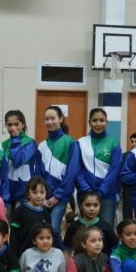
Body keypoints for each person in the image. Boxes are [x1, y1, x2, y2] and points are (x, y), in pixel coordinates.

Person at [38, 105, 80, 246]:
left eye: (53, 118)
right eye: (46, 119)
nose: (50, 122)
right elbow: (38, 173)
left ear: (61, 119)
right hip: (43, 197)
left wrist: (58, 195)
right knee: (42, 231)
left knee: (55, 229)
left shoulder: (70, 142)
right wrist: (42, 196)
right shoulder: (42, 145)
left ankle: (62, 259)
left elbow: (72, 172)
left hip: (61, 195)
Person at [76, 108, 123, 227]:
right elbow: (76, 169)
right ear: (89, 122)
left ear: (107, 123)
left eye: (102, 120)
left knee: (105, 229)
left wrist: (101, 191)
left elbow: (115, 170)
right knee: (85, 230)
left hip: (107, 195)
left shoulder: (114, 143)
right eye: (94, 120)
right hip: (85, 194)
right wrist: (86, 189)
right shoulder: (80, 142)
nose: (98, 124)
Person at [2, 110, 41, 216]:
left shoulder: (30, 143)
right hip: (8, 192)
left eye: (16, 124)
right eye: (10, 125)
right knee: (8, 226)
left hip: (23, 191)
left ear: (23, 124)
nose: (13, 127)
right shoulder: (4, 144)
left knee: (21, 225)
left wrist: (15, 139)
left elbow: (17, 161)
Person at [63, 191, 118, 257]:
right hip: (80, 265)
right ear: (81, 206)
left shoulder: (106, 226)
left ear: (100, 206)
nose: (92, 208)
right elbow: (67, 250)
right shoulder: (73, 226)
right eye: (87, 205)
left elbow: (115, 248)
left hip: (102, 265)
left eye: (95, 205)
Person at [9, 176, 51, 257]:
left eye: (42, 192)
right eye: (35, 192)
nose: (39, 196)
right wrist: (13, 257)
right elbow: (13, 236)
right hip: (21, 254)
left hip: (40, 256)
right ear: (28, 193)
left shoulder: (46, 214)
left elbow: (49, 235)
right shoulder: (20, 210)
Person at [120, 133, 136, 221]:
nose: (134, 144)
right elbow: (121, 175)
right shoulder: (124, 156)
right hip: (128, 191)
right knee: (127, 218)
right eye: (132, 141)